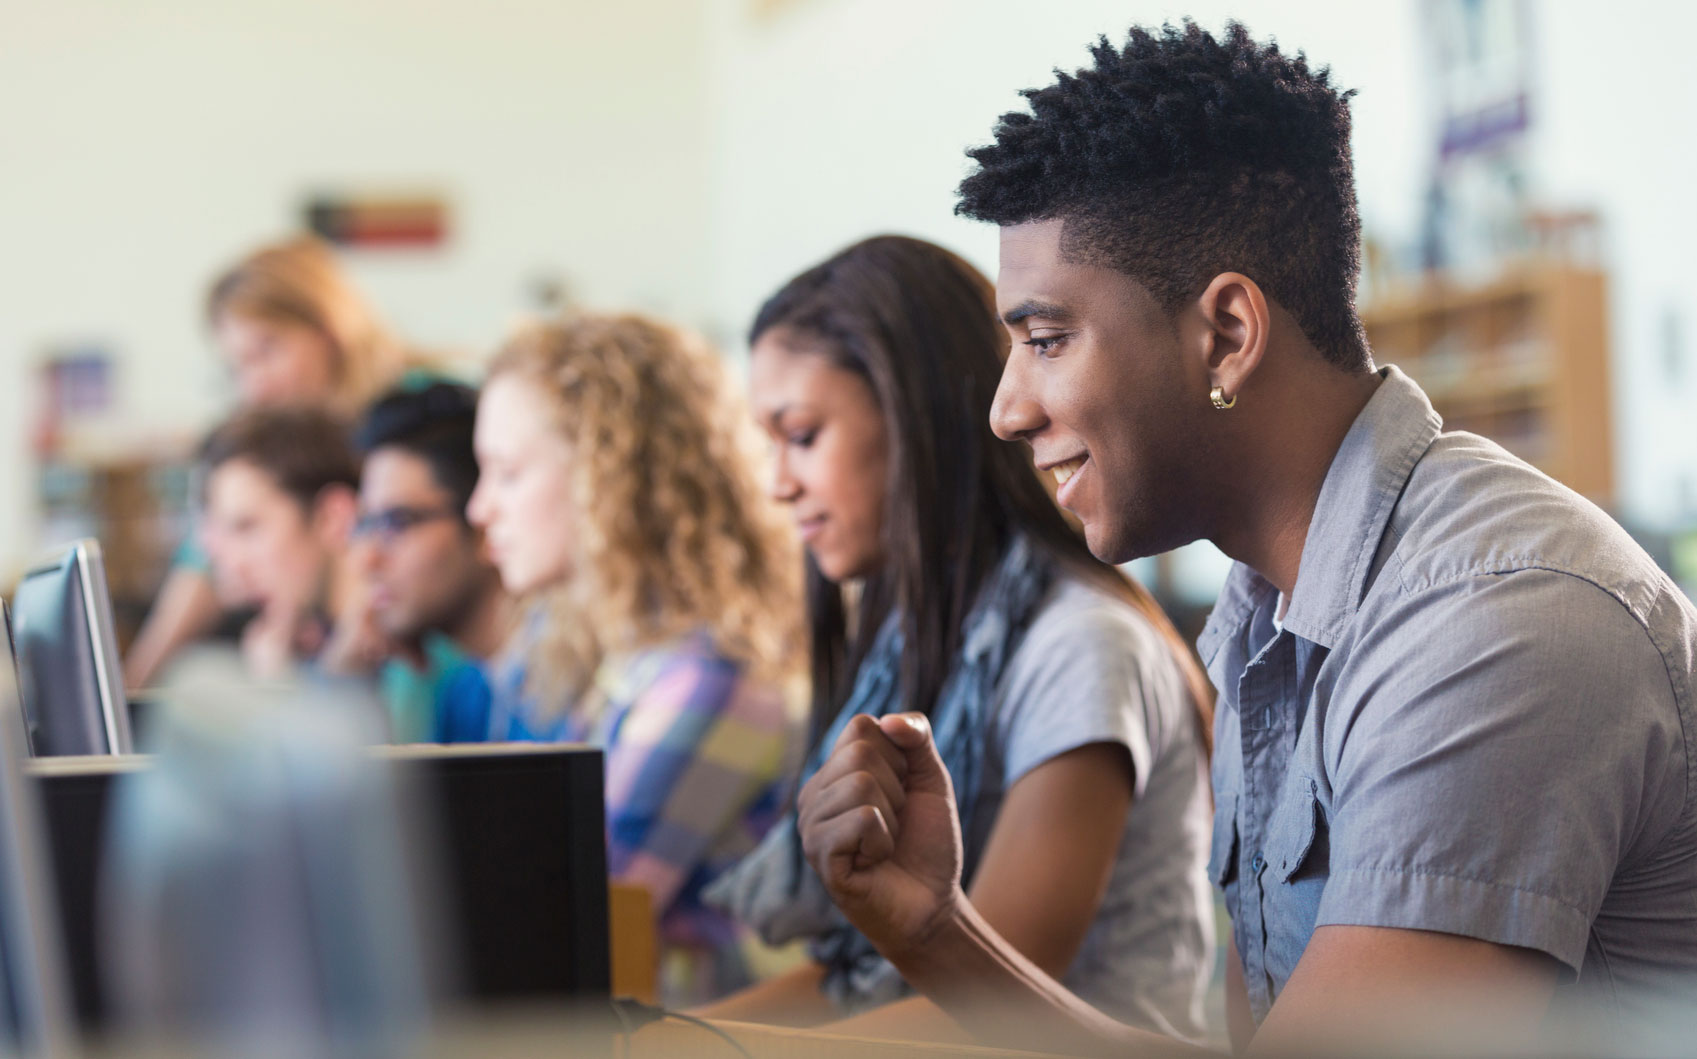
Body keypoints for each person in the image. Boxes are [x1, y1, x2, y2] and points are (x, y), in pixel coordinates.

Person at [793, 21, 1697, 1056]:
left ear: (1225, 333)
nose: (1005, 410)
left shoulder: (1495, 626)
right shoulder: (1263, 615)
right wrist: (938, 932)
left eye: (1046, 341)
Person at [699, 235, 1216, 1042]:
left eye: (800, 434)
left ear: (918, 419)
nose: (776, 482)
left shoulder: (1081, 644)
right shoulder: (913, 636)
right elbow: (854, 986)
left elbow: (987, 1003)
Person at [466, 312, 803, 1001]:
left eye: (506, 473)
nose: (479, 508)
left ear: (604, 477)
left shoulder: (711, 676)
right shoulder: (609, 652)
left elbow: (563, 915)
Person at [124, 237, 409, 689]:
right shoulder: (273, 444)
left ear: (330, 331)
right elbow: (200, 569)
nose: (254, 387)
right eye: (237, 367)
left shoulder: (408, 422)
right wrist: (127, 696)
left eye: (266, 352)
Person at [330, 382, 514, 743]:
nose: (368, 559)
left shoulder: (563, 699)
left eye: (397, 523)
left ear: (481, 524)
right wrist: (343, 680)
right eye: (366, 525)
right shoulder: (467, 696)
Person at [196, 406, 362, 682]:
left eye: (248, 527)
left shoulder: (403, 660)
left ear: (332, 518)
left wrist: (276, 690)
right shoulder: (326, 647)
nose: (236, 566)